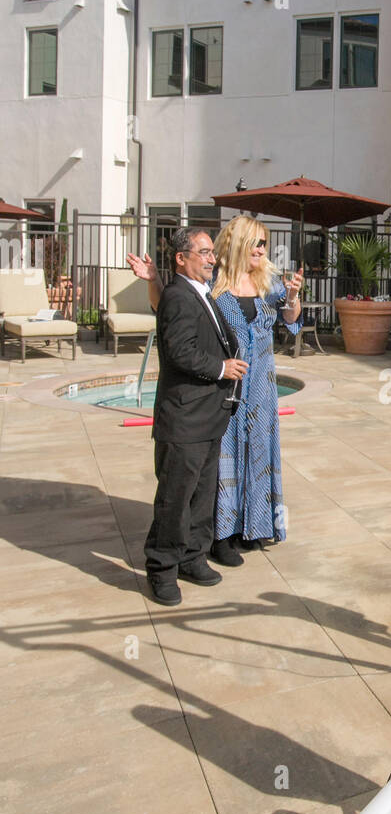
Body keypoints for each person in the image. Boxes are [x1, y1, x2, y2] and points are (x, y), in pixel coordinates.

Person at [128, 216, 302, 571]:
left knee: (258, 454)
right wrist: (154, 281)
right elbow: (170, 307)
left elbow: (291, 319)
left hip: (263, 387)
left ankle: (254, 526)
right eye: (254, 243)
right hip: (226, 387)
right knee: (224, 461)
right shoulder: (213, 280)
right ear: (237, 243)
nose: (260, 250)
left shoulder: (268, 281)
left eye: (264, 244)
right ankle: (221, 535)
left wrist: (294, 297)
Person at [143, 227, 249, 606]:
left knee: (201, 496)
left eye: (211, 253)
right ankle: (162, 569)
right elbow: (180, 353)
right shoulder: (176, 296)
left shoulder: (203, 293)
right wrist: (222, 369)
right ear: (181, 258)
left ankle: (191, 557)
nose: (211, 259)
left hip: (208, 416)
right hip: (184, 419)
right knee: (175, 498)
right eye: (203, 252)